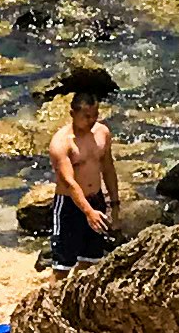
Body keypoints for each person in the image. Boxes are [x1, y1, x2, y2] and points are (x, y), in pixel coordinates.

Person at [47, 68, 123, 267]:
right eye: (86, 116)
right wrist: (88, 212)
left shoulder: (102, 133)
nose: (92, 121)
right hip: (70, 205)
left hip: (96, 200)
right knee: (63, 265)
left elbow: (108, 169)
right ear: (73, 113)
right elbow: (69, 183)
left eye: (95, 115)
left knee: (91, 261)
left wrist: (114, 206)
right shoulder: (62, 143)